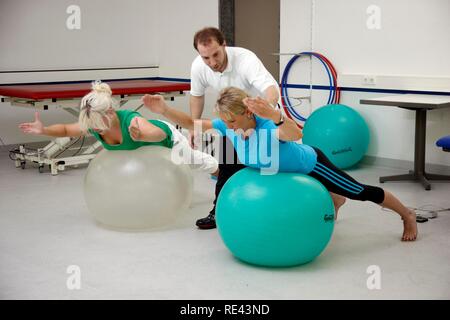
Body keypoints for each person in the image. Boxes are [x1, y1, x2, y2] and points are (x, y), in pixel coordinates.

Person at [142, 87, 418, 242]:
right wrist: (164, 110)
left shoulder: (267, 126)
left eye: (232, 122)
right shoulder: (230, 126)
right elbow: (193, 124)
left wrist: (274, 115)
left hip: (310, 166)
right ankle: (334, 199)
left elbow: (296, 134)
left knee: (359, 191)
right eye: (224, 122)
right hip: (277, 175)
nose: (227, 127)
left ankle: (406, 214)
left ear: (249, 113)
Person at [18, 81, 218, 175]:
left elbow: (158, 135)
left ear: (111, 112)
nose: (98, 132)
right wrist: (44, 130)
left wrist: (140, 136)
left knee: (201, 163)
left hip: (169, 142)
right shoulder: (95, 124)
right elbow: (65, 130)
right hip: (144, 155)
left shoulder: (132, 121)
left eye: (99, 126)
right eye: (93, 128)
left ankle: (224, 175)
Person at [189, 26, 280, 229]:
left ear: (224, 45)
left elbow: (271, 91)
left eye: (216, 54)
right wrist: (194, 126)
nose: (212, 62)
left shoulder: (245, 60)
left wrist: (262, 118)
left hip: (262, 119)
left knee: (268, 170)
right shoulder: (198, 66)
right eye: (206, 58)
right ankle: (218, 212)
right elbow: (196, 95)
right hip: (233, 122)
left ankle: (269, 216)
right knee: (227, 167)